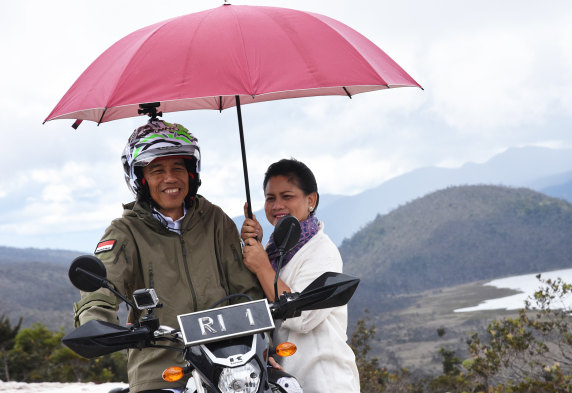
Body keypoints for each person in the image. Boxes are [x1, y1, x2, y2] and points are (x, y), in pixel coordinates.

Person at [72, 119, 263, 393]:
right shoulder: (125, 231)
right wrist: (96, 323)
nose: (170, 178)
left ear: (192, 173)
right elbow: (102, 285)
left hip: (228, 362)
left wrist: (262, 341)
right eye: (157, 169)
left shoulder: (215, 220)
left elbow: (245, 289)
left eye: (178, 168)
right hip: (161, 366)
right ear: (141, 178)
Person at [241, 158, 360, 393]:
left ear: (311, 200)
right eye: (270, 198)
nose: (277, 206)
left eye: (287, 196)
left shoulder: (322, 251)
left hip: (325, 381)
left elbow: (303, 318)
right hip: (286, 381)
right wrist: (256, 246)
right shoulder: (276, 251)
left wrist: (263, 266)